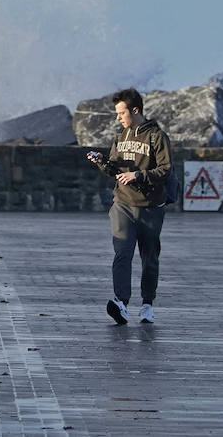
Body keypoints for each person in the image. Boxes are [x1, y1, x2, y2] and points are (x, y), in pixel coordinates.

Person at [86, 88, 172, 325]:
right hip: (122, 204)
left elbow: (165, 170)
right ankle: (121, 302)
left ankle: (147, 304)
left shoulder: (157, 137)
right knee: (122, 252)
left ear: (135, 110)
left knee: (149, 257)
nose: (118, 117)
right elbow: (115, 171)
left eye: (121, 113)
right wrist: (102, 163)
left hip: (150, 207)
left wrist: (138, 175)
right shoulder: (120, 137)